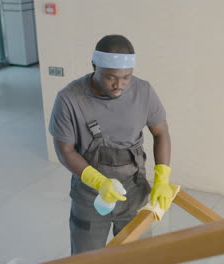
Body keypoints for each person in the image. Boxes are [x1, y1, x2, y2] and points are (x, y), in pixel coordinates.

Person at [48, 34, 173, 255]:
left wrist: (162, 177)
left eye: (126, 77)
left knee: (138, 255)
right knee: (86, 256)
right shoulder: (69, 99)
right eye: (110, 77)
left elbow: (161, 132)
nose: (119, 85)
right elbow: (64, 150)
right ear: (94, 66)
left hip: (134, 189)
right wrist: (99, 182)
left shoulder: (143, 91)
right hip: (91, 196)